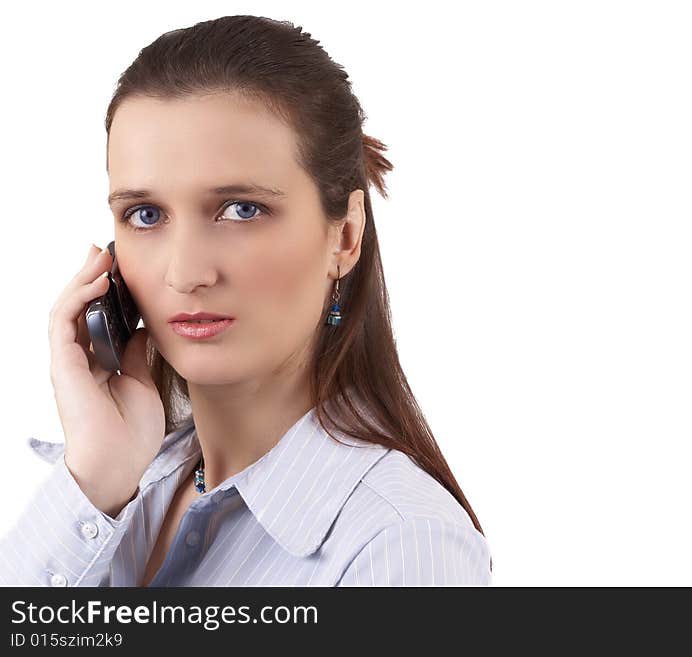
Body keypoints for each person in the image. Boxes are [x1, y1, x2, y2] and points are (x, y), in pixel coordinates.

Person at [0, 15, 491, 587]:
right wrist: (92, 483)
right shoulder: (114, 492)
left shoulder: (402, 546)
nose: (185, 274)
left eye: (241, 209)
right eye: (146, 215)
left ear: (346, 236)